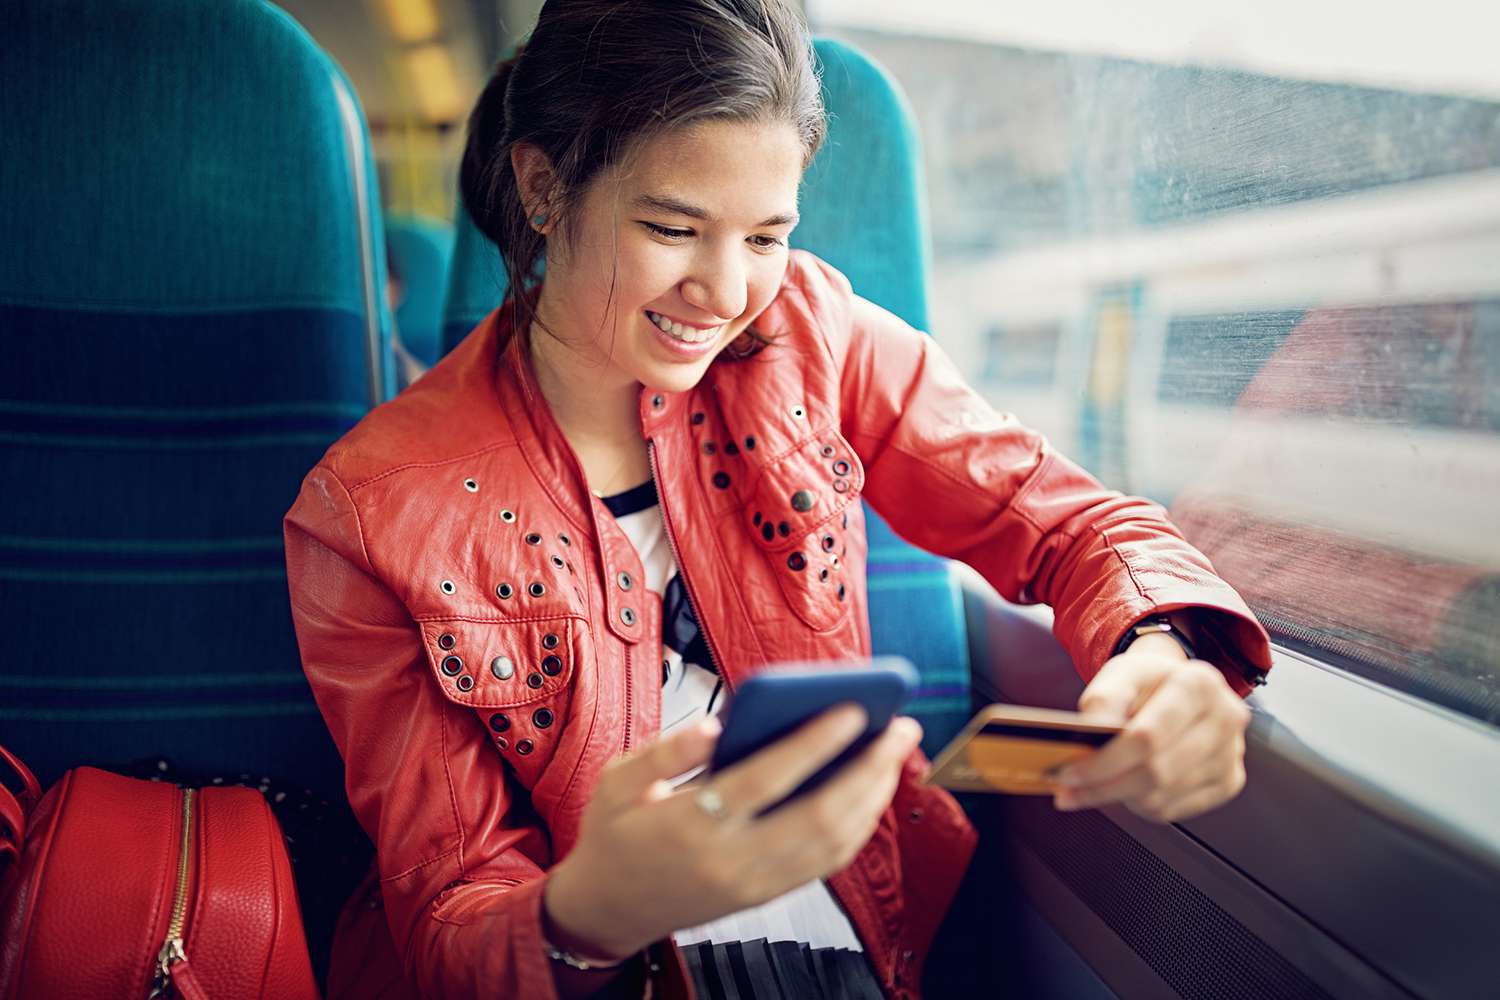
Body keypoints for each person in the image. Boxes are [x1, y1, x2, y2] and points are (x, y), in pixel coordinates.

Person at [282, 1, 1272, 997]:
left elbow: (1071, 521)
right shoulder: (370, 513)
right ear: (545, 188)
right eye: (673, 228)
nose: (724, 291)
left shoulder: (812, 335)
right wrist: (591, 912)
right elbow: (450, 912)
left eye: (765, 237)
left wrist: (1164, 648)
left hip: (861, 951)